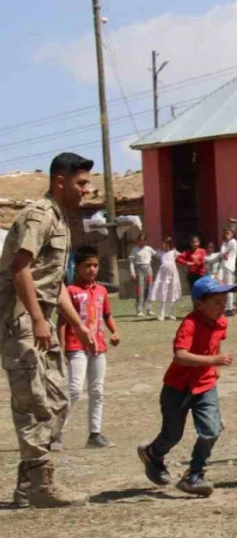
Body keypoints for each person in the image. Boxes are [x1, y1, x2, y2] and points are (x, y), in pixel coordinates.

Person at [1, 152, 97, 508]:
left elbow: (52, 281)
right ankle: (41, 484)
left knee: (57, 397)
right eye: (81, 183)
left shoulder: (60, 220)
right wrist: (38, 319)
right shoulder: (39, 216)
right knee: (32, 402)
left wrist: (79, 326)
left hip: (41, 320)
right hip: (21, 322)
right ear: (60, 181)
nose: (88, 190)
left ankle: (28, 484)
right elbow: (19, 268)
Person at [137, 275, 237, 498]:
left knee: (212, 430)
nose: (223, 307)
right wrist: (214, 360)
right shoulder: (189, 324)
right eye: (217, 302)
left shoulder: (221, 322)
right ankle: (153, 454)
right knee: (173, 434)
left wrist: (214, 368)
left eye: (224, 301)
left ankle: (194, 475)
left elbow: (216, 342)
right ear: (199, 305)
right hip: (177, 388)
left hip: (205, 386)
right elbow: (180, 356)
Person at [55, 246, 121, 451]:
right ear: (78, 267)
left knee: (97, 390)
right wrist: (62, 348)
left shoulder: (101, 291)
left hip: (98, 347)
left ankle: (95, 433)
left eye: (95, 265)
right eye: (88, 266)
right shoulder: (71, 292)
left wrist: (115, 331)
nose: (92, 269)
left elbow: (107, 315)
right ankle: (55, 433)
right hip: (76, 346)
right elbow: (62, 322)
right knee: (74, 389)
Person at [206, 228, 237, 316]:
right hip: (222, 267)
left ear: (233, 234)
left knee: (228, 287)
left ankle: (230, 308)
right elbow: (221, 254)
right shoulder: (225, 243)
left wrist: (223, 246)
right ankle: (223, 307)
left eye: (228, 233)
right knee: (221, 287)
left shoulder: (233, 242)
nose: (226, 235)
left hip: (228, 267)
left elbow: (222, 253)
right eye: (225, 233)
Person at [150, 237, 182, 321]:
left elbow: (182, 256)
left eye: (166, 243)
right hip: (163, 276)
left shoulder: (173, 252)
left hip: (173, 274)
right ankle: (161, 314)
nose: (164, 245)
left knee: (172, 292)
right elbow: (152, 254)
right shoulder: (160, 253)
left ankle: (171, 313)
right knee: (163, 292)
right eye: (163, 243)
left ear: (169, 244)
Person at [129, 233, 157, 317]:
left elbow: (157, 255)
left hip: (148, 269)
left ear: (146, 241)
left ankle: (148, 308)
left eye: (144, 241)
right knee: (140, 290)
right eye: (140, 240)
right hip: (139, 270)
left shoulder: (149, 249)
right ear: (138, 241)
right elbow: (131, 262)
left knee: (150, 289)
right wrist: (132, 272)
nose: (142, 242)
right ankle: (139, 310)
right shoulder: (134, 250)